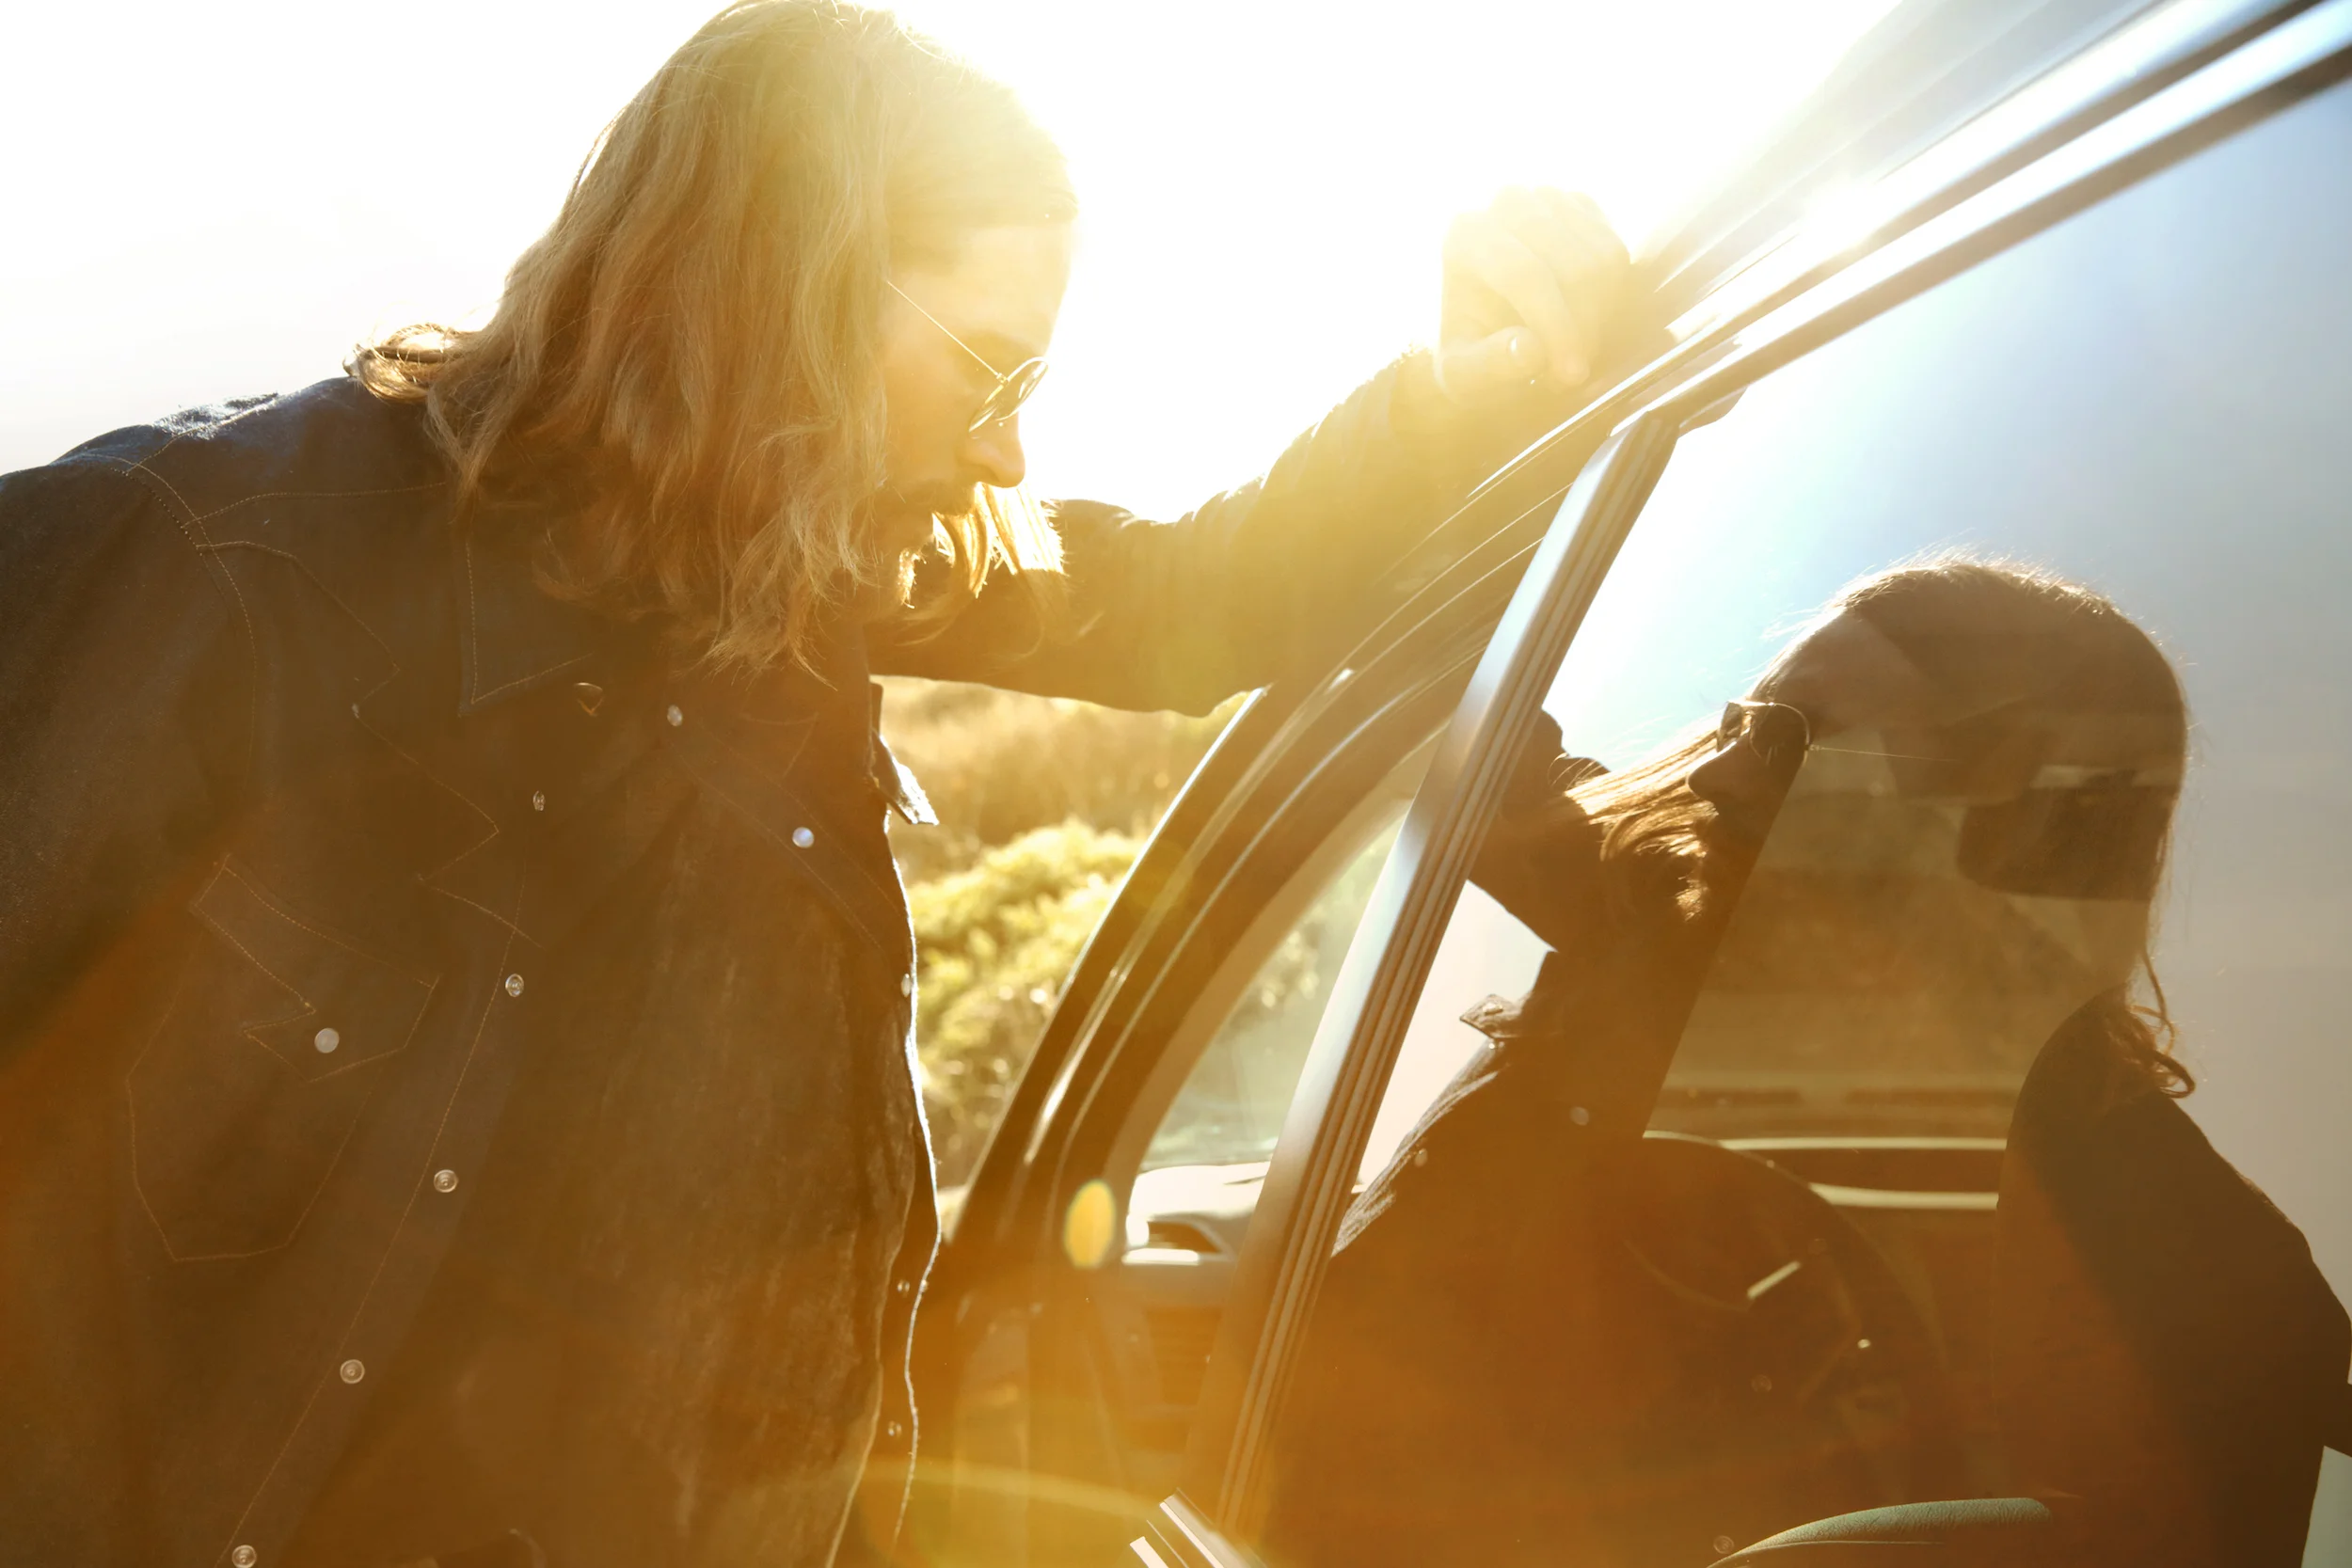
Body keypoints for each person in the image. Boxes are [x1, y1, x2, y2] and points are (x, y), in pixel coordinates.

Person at [0, 5, 1639, 1565]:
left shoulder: (783, 571)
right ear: (782, 297)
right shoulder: (183, 570)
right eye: (988, 370)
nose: (1004, 452)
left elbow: (1198, 597)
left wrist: (1457, 398)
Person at [1259, 559, 2350, 1568]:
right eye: (1740, 717)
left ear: (1998, 826)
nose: (1716, 773)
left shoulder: (2201, 1279)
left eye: (1788, 736)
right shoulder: (1665, 910)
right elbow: (1457, 723)